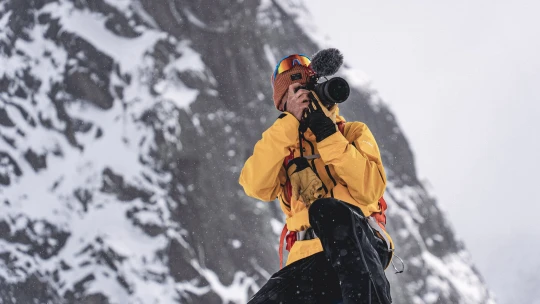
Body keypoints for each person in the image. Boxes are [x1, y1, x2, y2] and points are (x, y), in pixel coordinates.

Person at [239, 52, 394, 304]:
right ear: (284, 101)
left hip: (360, 245)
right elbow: (254, 185)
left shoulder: (352, 132)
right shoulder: (283, 149)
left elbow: (370, 189)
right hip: (308, 259)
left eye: (310, 89)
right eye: (298, 92)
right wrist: (289, 123)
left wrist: (327, 133)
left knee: (328, 210)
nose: (308, 97)